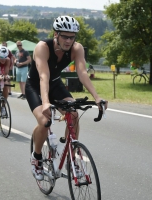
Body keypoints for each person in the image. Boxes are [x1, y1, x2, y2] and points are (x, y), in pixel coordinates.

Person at [26, 16, 108, 180]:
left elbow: (82, 73)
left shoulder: (77, 49)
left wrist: (97, 97)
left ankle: (72, 157)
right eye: (65, 36)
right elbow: (43, 76)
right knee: (45, 121)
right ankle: (36, 157)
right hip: (35, 86)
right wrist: (46, 102)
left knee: (74, 113)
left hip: (55, 84)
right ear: (56, 34)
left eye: (72, 37)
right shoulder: (43, 47)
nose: (69, 40)